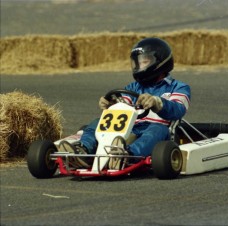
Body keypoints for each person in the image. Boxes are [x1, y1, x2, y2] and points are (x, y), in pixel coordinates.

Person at [59, 37, 191, 168]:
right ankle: (83, 151)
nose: (139, 67)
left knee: (157, 129)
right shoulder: (134, 88)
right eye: (136, 63)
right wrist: (110, 105)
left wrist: (158, 102)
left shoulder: (178, 87)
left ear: (159, 62)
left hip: (157, 131)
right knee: (97, 122)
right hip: (130, 128)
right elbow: (122, 105)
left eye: (144, 62)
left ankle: (127, 155)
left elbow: (178, 109)